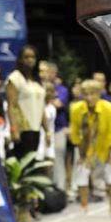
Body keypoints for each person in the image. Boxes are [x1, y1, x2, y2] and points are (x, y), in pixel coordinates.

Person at [69, 79, 111, 214]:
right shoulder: (76, 109)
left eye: (92, 94)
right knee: (81, 171)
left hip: (107, 144)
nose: (89, 97)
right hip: (86, 146)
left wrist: (110, 156)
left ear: (99, 94)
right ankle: (84, 205)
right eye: (86, 94)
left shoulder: (108, 107)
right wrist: (81, 155)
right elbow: (75, 133)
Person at [6, 45, 46, 158]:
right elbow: (11, 106)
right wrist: (14, 129)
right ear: (20, 59)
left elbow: (41, 107)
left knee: (33, 164)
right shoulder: (15, 78)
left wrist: (47, 130)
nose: (30, 60)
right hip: (22, 128)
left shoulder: (38, 81)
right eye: (26, 57)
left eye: (33, 57)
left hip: (36, 129)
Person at [38, 61, 69, 192]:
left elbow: (58, 104)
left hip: (57, 129)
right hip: (39, 131)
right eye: (44, 71)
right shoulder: (36, 86)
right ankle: (43, 190)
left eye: (49, 72)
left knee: (57, 160)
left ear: (54, 73)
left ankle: (60, 190)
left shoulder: (61, 89)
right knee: (41, 161)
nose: (46, 74)